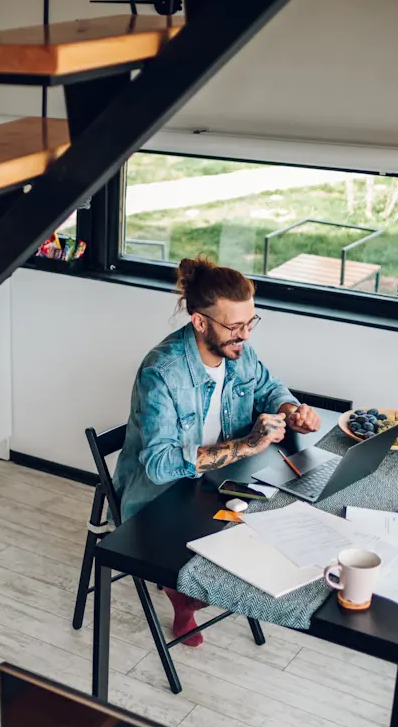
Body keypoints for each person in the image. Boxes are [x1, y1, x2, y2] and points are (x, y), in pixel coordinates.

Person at [113, 256, 320, 645]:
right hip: (161, 497)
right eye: (234, 326)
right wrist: (246, 445)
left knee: (288, 513)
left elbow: (268, 388)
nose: (244, 336)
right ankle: (183, 593)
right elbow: (159, 466)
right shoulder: (162, 372)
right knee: (231, 551)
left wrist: (292, 412)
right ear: (200, 322)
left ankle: (193, 584)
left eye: (250, 323)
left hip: (219, 483)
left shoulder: (239, 354)